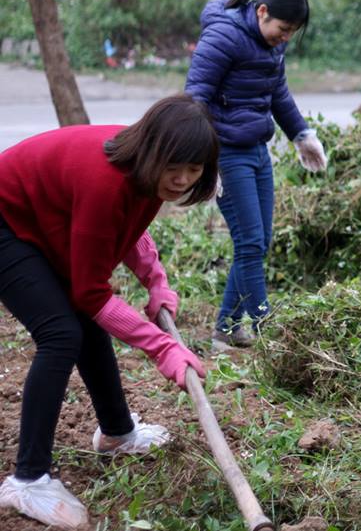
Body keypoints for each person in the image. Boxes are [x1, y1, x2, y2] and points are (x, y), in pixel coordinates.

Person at [0, 95, 217, 529]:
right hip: (6, 220)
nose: (181, 180)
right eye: (175, 167)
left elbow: (128, 230)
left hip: (42, 219)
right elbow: (91, 292)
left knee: (83, 324)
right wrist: (162, 349)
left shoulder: (147, 175)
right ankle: (27, 479)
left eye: (194, 171)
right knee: (62, 333)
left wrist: (156, 281)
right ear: (155, 151)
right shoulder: (107, 179)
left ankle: (117, 432)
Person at [185, 0, 327, 349]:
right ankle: (267, 326)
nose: (285, 39)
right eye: (283, 30)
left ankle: (226, 329)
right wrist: (204, 159)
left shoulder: (271, 46)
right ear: (262, 12)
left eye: (292, 34)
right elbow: (195, 98)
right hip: (225, 152)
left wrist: (301, 134)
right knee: (249, 242)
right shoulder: (224, 37)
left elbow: (277, 91)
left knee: (257, 243)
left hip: (257, 151)